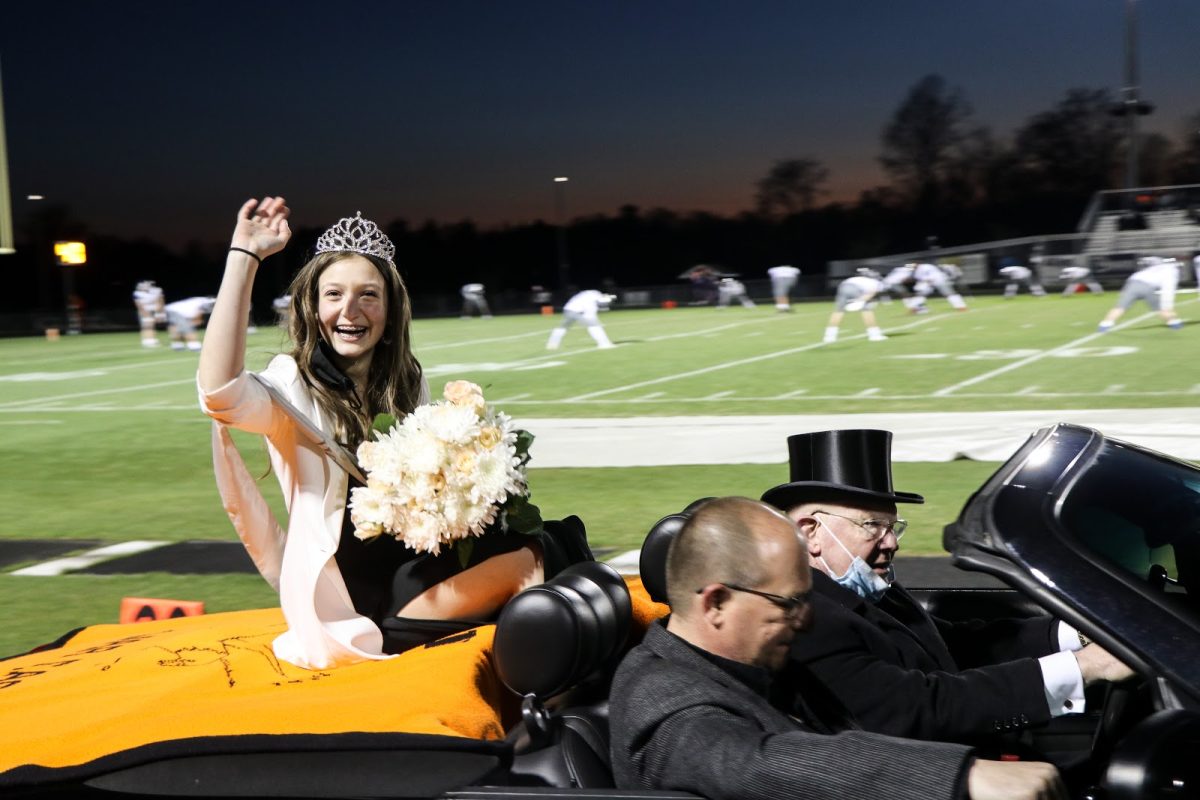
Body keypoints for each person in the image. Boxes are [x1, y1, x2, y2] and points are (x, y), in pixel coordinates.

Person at [198, 197, 550, 670]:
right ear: (312, 305)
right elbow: (219, 392)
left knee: (546, 542)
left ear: (389, 309)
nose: (351, 309)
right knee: (532, 565)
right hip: (357, 604)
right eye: (333, 294)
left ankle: (536, 691)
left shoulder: (408, 381)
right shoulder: (292, 386)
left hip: (416, 567)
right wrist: (244, 257)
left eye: (368, 294)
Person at [609, 495, 1068, 800]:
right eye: (788, 604)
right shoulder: (663, 700)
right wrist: (962, 776)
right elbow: (762, 762)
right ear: (717, 602)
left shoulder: (748, 665)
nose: (805, 619)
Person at [760, 429, 1134, 745]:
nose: (891, 543)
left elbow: (956, 645)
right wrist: (1083, 668)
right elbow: (917, 708)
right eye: (873, 525)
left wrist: (1079, 634)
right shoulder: (804, 621)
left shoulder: (871, 591)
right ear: (811, 533)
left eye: (894, 527)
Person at [1097, 256, 1183, 332]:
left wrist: (1124, 291)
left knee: (1120, 307)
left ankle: (1105, 325)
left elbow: (1135, 276)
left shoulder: (1154, 268)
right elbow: (1168, 290)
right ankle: (1174, 323)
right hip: (1147, 286)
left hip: (1132, 283)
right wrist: (1168, 306)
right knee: (1160, 309)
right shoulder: (1171, 272)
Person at [823, 270, 888, 343]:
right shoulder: (876, 282)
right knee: (867, 310)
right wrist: (859, 301)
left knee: (838, 311)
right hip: (855, 288)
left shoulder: (857, 279)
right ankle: (874, 335)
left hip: (843, 286)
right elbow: (871, 293)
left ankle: (829, 336)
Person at [545, 289, 616, 349]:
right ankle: (603, 344)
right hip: (578, 311)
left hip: (568, 309)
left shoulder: (591, 293)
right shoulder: (593, 299)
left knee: (563, 327)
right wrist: (597, 323)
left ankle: (552, 344)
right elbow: (590, 314)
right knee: (594, 326)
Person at [133, 280, 165, 347]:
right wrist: (144, 313)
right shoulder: (137, 293)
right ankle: (147, 340)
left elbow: (160, 301)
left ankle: (151, 339)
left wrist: (159, 313)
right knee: (147, 325)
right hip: (144, 310)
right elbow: (139, 305)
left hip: (154, 309)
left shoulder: (157, 291)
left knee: (152, 325)